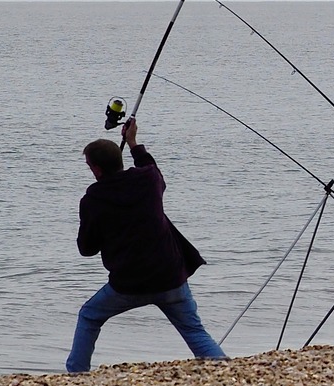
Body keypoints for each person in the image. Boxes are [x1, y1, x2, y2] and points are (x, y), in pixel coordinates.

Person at [65, 117, 226, 371]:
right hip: (170, 275)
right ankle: (223, 369)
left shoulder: (93, 198)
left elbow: (87, 249)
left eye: (89, 165)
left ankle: (76, 373)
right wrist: (133, 143)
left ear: (96, 169)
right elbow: (151, 168)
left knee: (89, 316)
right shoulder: (148, 180)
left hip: (129, 284)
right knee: (194, 330)